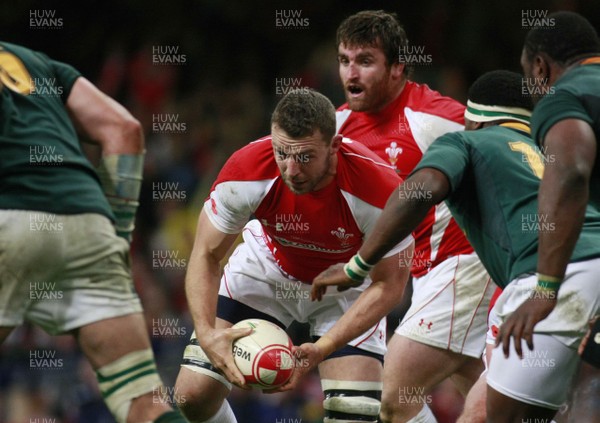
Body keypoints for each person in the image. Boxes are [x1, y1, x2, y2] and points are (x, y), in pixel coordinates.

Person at [312, 69, 600, 422]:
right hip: (564, 275)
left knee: (396, 391)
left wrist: (358, 265)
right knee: (510, 409)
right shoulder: (550, 152)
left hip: (532, 277)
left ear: (472, 121)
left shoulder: (467, 141)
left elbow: (420, 190)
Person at [173, 89, 414, 423]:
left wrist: (323, 348)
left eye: (304, 157)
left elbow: (390, 285)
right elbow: (205, 254)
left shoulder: (379, 190)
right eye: (281, 152)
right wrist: (206, 332)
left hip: (348, 286)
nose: (290, 169)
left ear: (334, 146)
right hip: (267, 269)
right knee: (192, 395)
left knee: (353, 418)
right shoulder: (246, 169)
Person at [0, 42, 186, 422]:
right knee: (142, 400)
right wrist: (115, 238)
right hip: (89, 221)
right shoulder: (31, 59)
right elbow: (124, 130)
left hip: (10, 217)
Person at [334, 10, 494, 422]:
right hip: (422, 275)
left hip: (463, 263)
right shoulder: (337, 126)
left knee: (396, 392)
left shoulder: (437, 117)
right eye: (345, 60)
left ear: (397, 68)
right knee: (492, 396)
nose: (351, 72)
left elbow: (510, 151)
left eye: (365, 61)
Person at [497, 10, 600, 422]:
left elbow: (571, 170)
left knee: (588, 391)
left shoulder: (563, 96)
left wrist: (545, 288)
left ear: (540, 67)